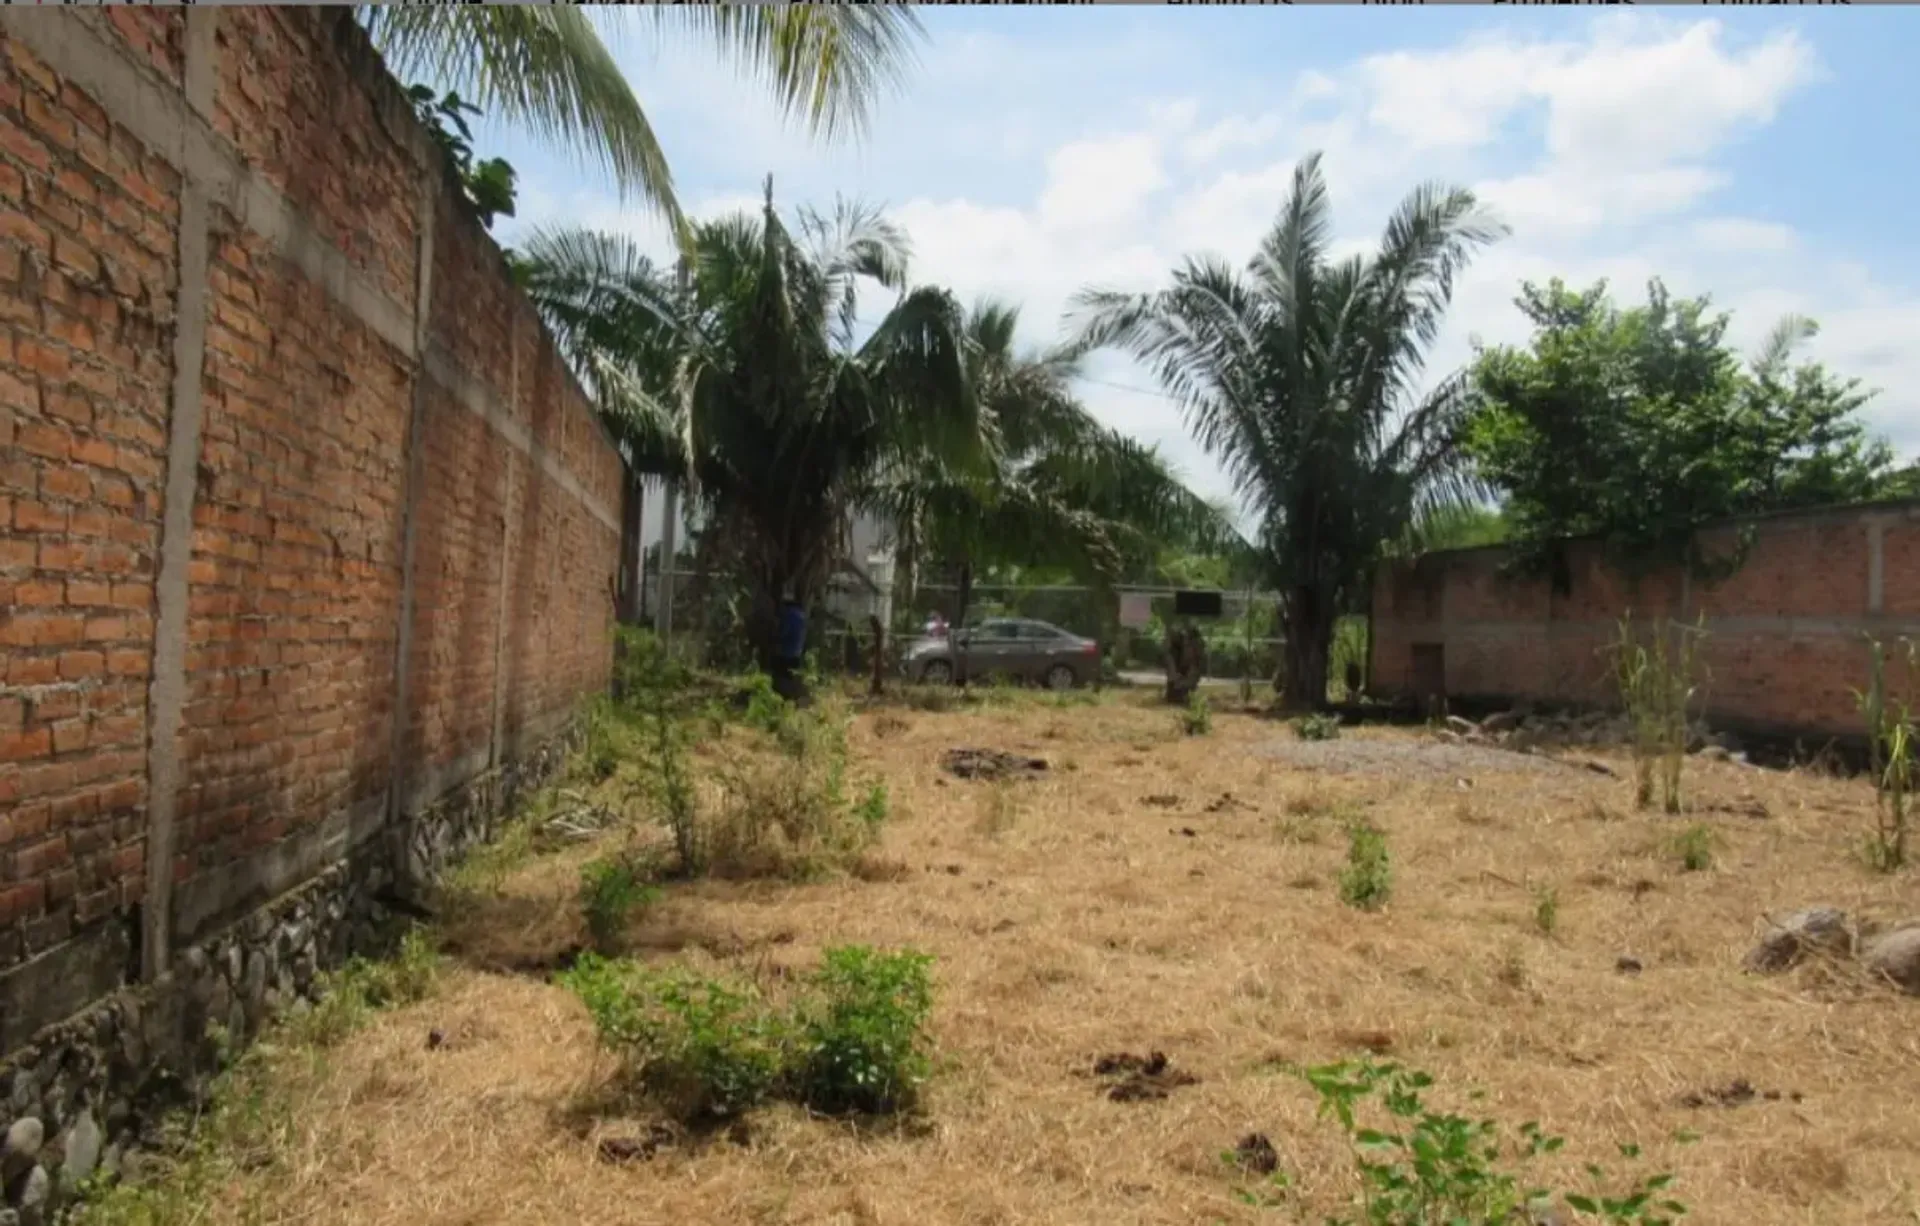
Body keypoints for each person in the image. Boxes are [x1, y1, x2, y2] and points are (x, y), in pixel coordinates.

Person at [773, 594, 808, 700]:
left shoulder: (789, 615)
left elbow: (783, 633)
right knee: (792, 675)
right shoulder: (801, 616)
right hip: (797, 652)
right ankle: (794, 697)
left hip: (785, 652)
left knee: (782, 676)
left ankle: (784, 697)